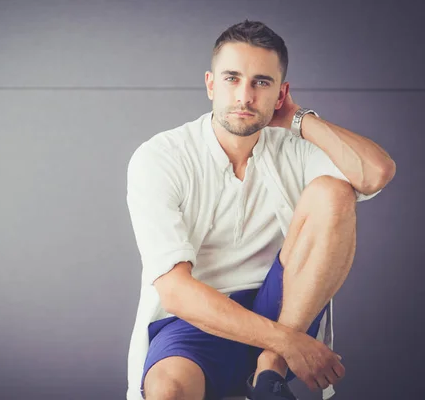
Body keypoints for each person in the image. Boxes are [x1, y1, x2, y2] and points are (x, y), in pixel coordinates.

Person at [125, 20, 396, 400]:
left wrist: (301, 120)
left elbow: (376, 173)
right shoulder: (161, 157)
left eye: (261, 83)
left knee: (333, 192)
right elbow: (175, 292)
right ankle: (275, 355)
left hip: (284, 303)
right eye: (232, 78)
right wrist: (290, 342)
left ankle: (269, 369)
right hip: (199, 315)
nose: (244, 96)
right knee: (167, 389)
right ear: (210, 84)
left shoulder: (294, 147)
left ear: (281, 92)